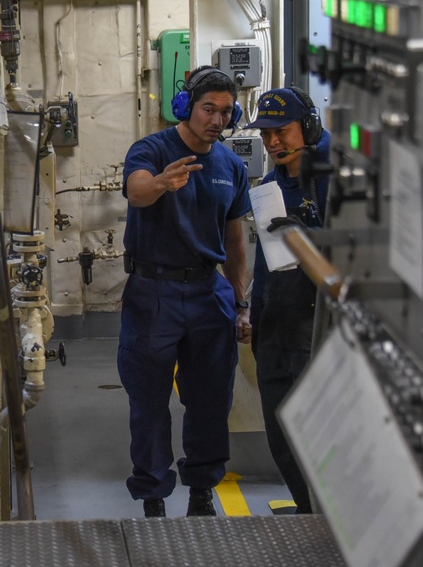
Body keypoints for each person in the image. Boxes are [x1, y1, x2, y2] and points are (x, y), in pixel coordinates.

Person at [119, 66, 252, 518]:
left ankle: (201, 489)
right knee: (149, 399)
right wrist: (159, 183)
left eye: (226, 112)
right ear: (187, 108)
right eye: (208, 109)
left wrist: (240, 302)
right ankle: (153, 495)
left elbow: (235, 241)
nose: (216, 120)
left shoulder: (231, 167)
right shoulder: (152, 150)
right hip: (152, 293)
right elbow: (136, 193)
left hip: (207, 292)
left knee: (212, 399)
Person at [245, 86, 331, 515]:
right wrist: (255, 318)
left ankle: (334, 523)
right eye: (266, 134)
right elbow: (263, 263)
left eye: (282, 131)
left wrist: (309, 238)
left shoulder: (337, 173)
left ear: (309, 126)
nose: (274, 142)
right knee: (284, 435)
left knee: (325, 438)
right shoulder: (270, 186)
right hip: (279, 325)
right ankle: (308, 512)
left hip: (322, 329)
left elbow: (359, 253)